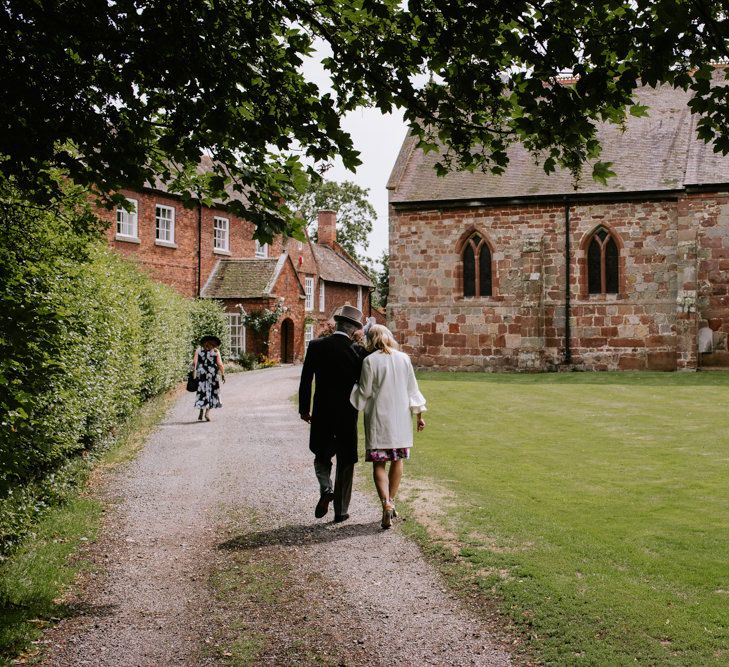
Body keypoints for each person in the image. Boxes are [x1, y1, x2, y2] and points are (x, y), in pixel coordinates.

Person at [350, 324, 426, 529]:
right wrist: (419, 415)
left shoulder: (369, 361)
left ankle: (386, 503)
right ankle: (391, 500)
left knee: (379, 463)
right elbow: (413, 389)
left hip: (378, 418)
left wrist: (353, 388)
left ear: (371, 340)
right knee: (397, 460)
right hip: (400, 418)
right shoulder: (404, 358)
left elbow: (364, 392)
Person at [299, 305, 368, 522]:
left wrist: (304, 408)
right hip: (348, 412)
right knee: (346, 461)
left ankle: (326, 488)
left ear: (336, 324)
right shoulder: (359, 351)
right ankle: (341, 510)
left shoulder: (316, 345)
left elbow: (306, 379)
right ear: (353, 329)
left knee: (321, 454)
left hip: (322, 410)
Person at [192, 335, 225, 421]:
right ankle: (207, 413)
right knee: (212, 393)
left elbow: (194, 363)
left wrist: (194, 372)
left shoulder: (199, 350)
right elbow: (220, 364)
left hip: (202, 374)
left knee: (202, 392)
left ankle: (201, 410)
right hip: (212, 374)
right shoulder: (216, 351)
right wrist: (223, 375)